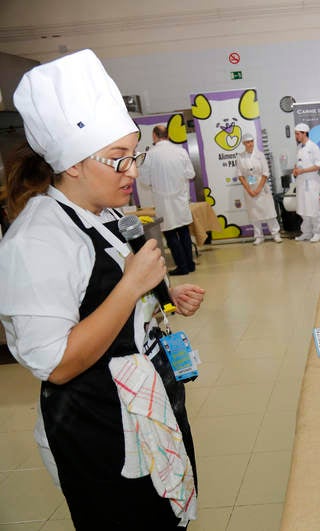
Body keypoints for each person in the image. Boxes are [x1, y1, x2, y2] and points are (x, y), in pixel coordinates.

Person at [0, 49, 205, 529]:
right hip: (99, 427)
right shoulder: (38, 240)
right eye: (117, 160)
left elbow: (117, 294)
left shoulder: (107, 217)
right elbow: (57, 363)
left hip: (146, 402)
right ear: (72, 164)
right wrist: (132, 287)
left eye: (132, 155)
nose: (132, 171)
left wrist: (167, 299)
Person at [137, 124, 196, 275]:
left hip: (163, 200)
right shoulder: (180, 151)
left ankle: (182, 267)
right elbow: (191, 174)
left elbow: (144, 180)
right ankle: (190, 264)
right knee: (184, 232)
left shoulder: (149, 155)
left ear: (154, 136)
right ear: (168, 136)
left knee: (170, 234)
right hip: (180, 199)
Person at [236, 132, 281, 244]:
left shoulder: (260, 155)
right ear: (243, 144)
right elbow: (240, 175)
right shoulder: (240, 157)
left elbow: (265, 173)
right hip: (249, 189)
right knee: (254, 213)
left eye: (251, 142)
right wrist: (249, 190)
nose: (250, 144)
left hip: (262, 187)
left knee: (269, 211)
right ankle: (258, 236)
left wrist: (258, 189)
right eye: (247, 142)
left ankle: (275, 234)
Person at [292, 123, 320, 242]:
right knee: (303, 208)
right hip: (301, 181)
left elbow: (319, 165)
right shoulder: (299, 147)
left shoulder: (313, 147)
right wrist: (295, 170)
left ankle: (318, 232)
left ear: (304, 133)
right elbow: (297, 163)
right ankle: (306, 232)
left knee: (313, 207)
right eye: (295, 134)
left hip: (311, 182)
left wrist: (303, 171)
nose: (296, 136)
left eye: (297, 134)